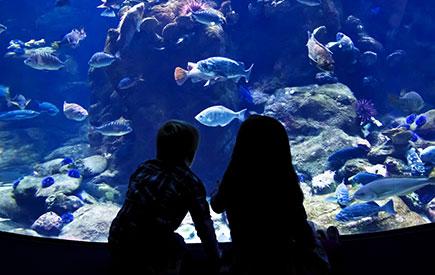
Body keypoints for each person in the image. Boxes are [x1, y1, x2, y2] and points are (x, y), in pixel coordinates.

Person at [211, 115, 329, 275]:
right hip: (281, 260)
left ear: (241, 145)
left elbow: (217, 205)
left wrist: (217, 190)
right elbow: (299, 224)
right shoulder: (285, 180)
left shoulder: (235, 176)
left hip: (246, 259)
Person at [109, 120, 220, 275]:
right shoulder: (190, 182)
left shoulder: (144, 168)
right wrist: (216, 260)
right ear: (191, 153)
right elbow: (204, 226)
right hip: (150, 249)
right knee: (178, 244)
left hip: (117, 238)